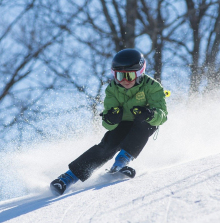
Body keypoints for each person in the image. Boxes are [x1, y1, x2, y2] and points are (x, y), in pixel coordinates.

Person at [50, 48, 168, 195]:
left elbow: (163, 115)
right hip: (123, 124)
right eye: (119, 76)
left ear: (139, 73)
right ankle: (68, 178)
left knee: (144, 125)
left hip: (144, 122)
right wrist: (111, 118)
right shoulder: (112, 89)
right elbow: (107, 123)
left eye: (129, 76)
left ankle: (120, 163)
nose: (124, 81)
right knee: (108, 145)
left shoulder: (152, 86)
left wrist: (150, 114)